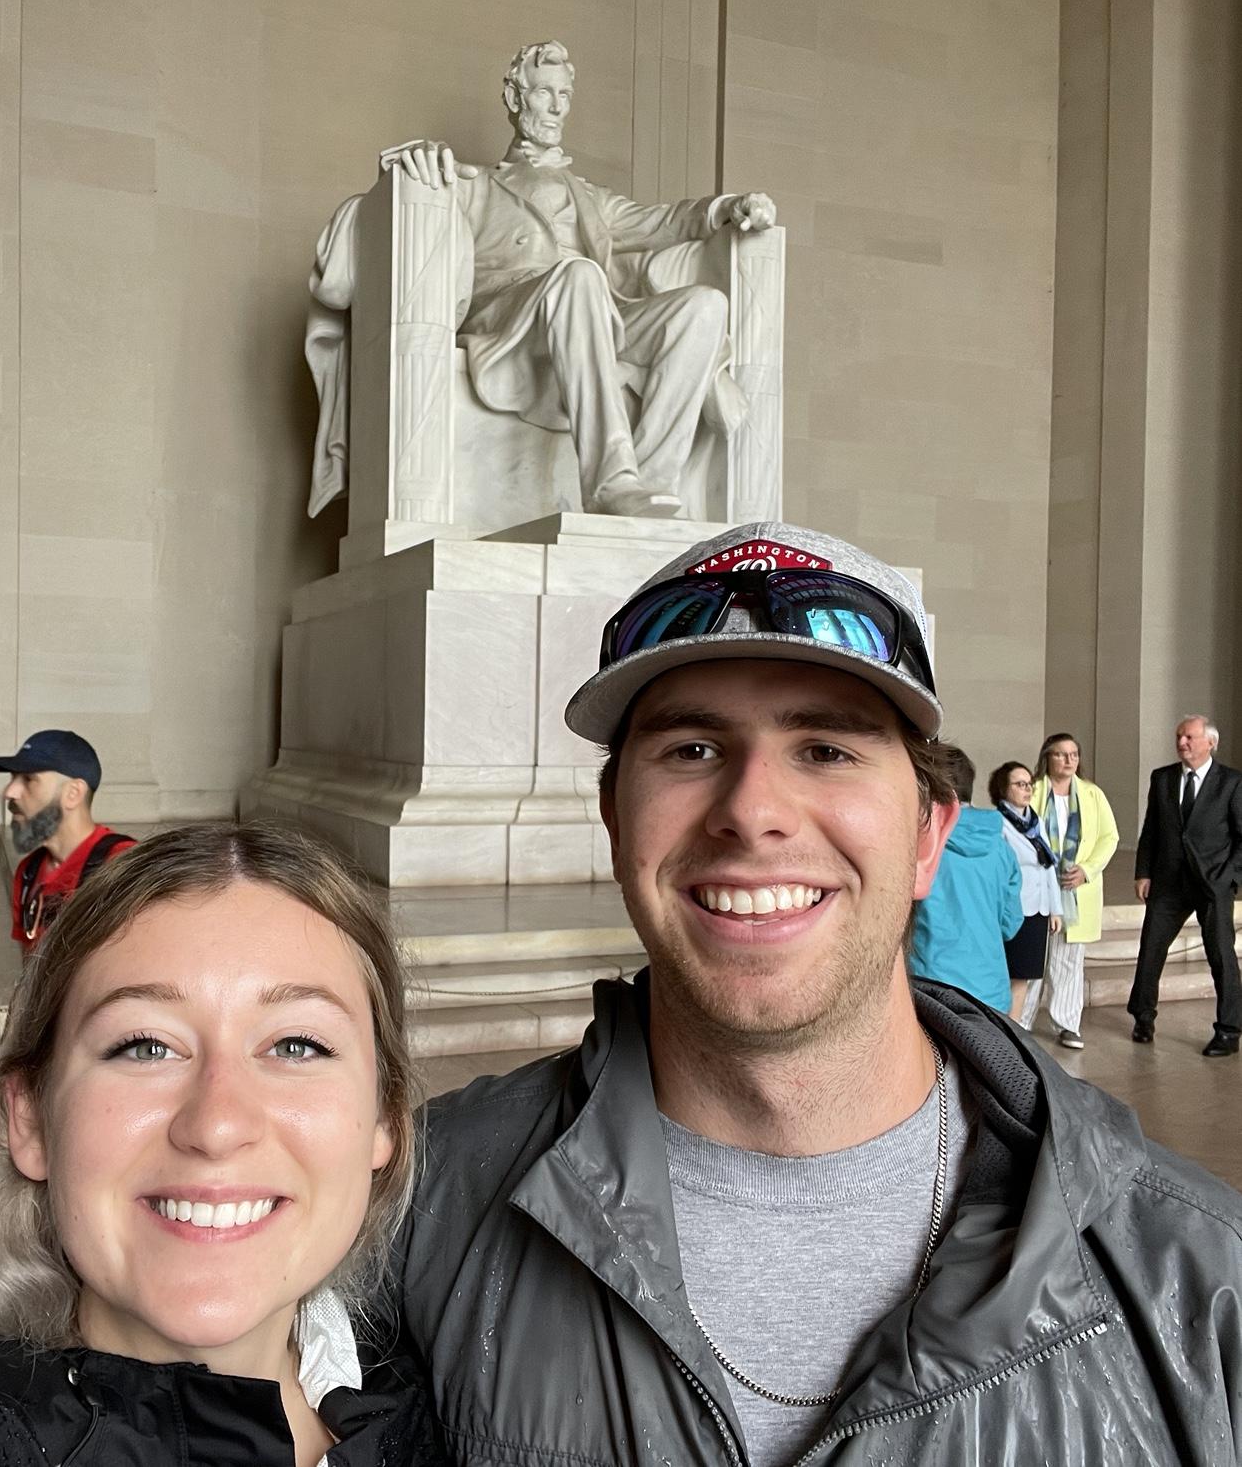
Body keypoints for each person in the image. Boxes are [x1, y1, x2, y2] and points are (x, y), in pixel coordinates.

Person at [370, 521, 1242, 1466]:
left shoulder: (1196, 1277)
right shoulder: (409, 1218)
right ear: (617, 823)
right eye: (693, 750)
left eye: (826, 748)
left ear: (925, 836)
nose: (752, 810)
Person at [0, 821, 446, 1467]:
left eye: (297, 1044)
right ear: (31, 1119)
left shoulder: (432, 1386)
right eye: (145, 1045)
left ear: (385, 1119)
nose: (216, 1126)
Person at [375, 40, 775, 516]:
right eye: (545, 93)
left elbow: (665, 222)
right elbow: (402, 186)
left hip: (593, 315)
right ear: (514, 97)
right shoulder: (472, 182)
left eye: (564, 95)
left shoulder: (590, 198)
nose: (557, 107)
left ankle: (650, 480)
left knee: (704, 306)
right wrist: (420, 157)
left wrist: (729, 208)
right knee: (580, 275)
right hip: (512, 316)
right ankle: (611, 480)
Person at [1128, 714, 1242, 1055]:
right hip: (1168, 882)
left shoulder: (1232, 783)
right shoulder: (1162, 778)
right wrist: (1142, 872)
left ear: (1211, 742)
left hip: (1213, 883)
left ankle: (1229, 1031)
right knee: (1150, 951)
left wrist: (1229, 876)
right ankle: (1143, 1017)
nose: (1182, 743)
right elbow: (1151, 829)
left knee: (1221, 956)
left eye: (1189, 737)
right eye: (1179, 737)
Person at [0, 729, 135, 951]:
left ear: (73, 793)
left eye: (29, 779)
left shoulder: (122, 864)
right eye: (13, 778)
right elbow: (30, 968)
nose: (9, 792)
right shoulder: (28, 873)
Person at [1022, 732, 1119, 1050]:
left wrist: (1087, 870)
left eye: (1074, 754)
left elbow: (1109, 838)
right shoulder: (1031, 791)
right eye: (1061, 754)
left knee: (1068, 960)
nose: (1069, 760)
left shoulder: (1092, 794)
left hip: (1075, 890)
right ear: (1047, 757)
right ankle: (1021, 1022)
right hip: (1037, 888)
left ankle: (1067, 1024)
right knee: (1033, 956)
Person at [906, 746, 1022, 1012]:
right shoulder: (1001, 848)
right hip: (991, 991)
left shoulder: (918, 845)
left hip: (932, 989)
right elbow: (1011, 923)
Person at [988, 759, 1063, 1022]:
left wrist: (1055, 908)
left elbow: (1047, 866)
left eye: (1029, 784)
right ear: (1003, 788)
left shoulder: (1034, 821)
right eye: (1020, 784)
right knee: (1010, 973)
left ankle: (1016, 1027)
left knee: (1025, 976)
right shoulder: (997, 822)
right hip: (1014, 909)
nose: (1027, 789)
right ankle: (1003, 1027)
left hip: (1039, 908)